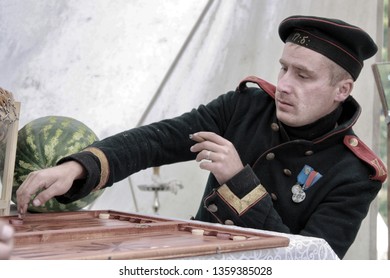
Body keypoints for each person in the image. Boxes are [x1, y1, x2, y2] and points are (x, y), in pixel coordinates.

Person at [16, 15, 386, 259]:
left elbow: (310, 265)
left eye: (303, 76)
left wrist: (241, 182)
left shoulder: (354, 174)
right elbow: (159, 139)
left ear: (342, 89)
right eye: (284, 68)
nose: (284, 85)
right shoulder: (246, 106)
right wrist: (78, 167)